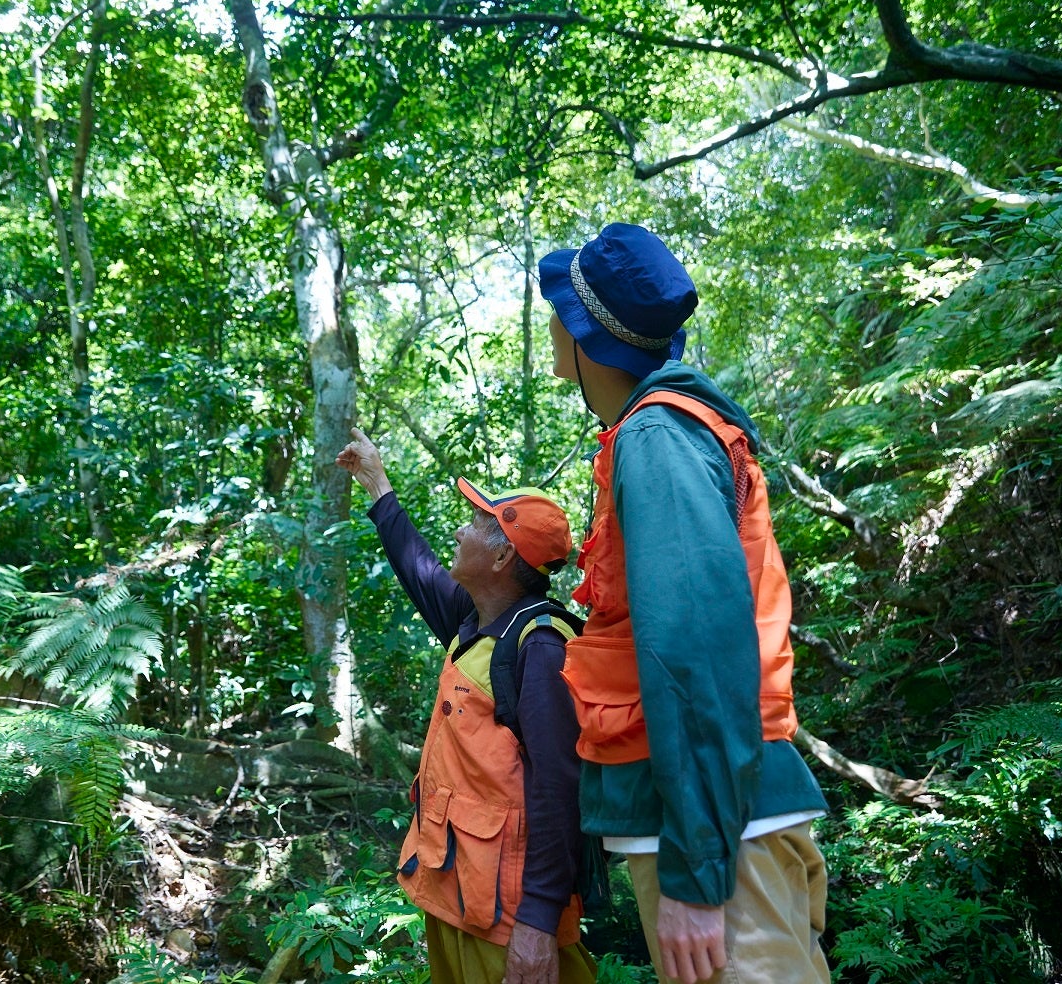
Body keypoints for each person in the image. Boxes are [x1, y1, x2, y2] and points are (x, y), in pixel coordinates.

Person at [538, 223, 831, 984]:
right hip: (722, 822)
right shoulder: (656, 431)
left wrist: (699, 877)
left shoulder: (658, 438)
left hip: (721, 839)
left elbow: (694, 651)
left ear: (582, 334)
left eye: (559, 305)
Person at [337, 427, 596, 984]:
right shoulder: (474, 623)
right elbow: (419, 568)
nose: (461, 529)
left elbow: (560, 788)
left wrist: (537, 922)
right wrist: (377, 484)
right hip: (456, 888)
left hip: (509, 917)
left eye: (478, 524)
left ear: (503, 556)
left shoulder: (541, 648)